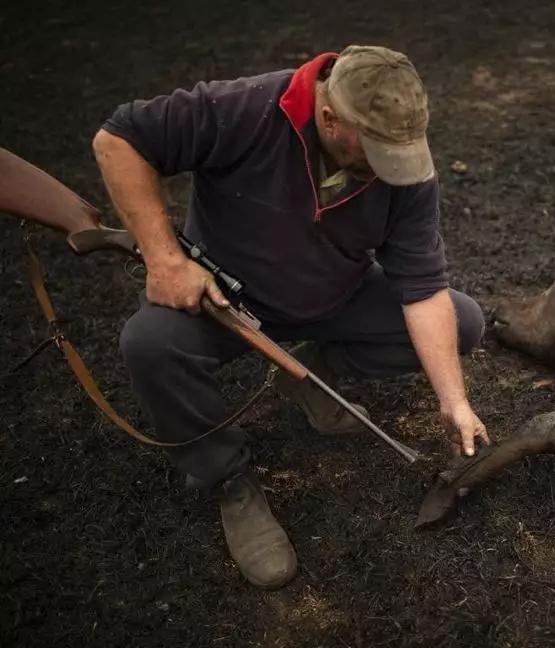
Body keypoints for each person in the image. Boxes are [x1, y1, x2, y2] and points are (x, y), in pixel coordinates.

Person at [92, 45, 490, 589]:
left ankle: (308, 370)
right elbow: (118, 139)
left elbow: (422, 291)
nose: (390, 169)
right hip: (226, 304)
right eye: (375, 151)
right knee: (149, 343)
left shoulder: (403, 166)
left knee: (462, 322)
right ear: (329, 119)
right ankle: (226, 479)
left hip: (334, 298)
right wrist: (165, 259)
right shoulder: (245, 107)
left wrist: (454, 400)